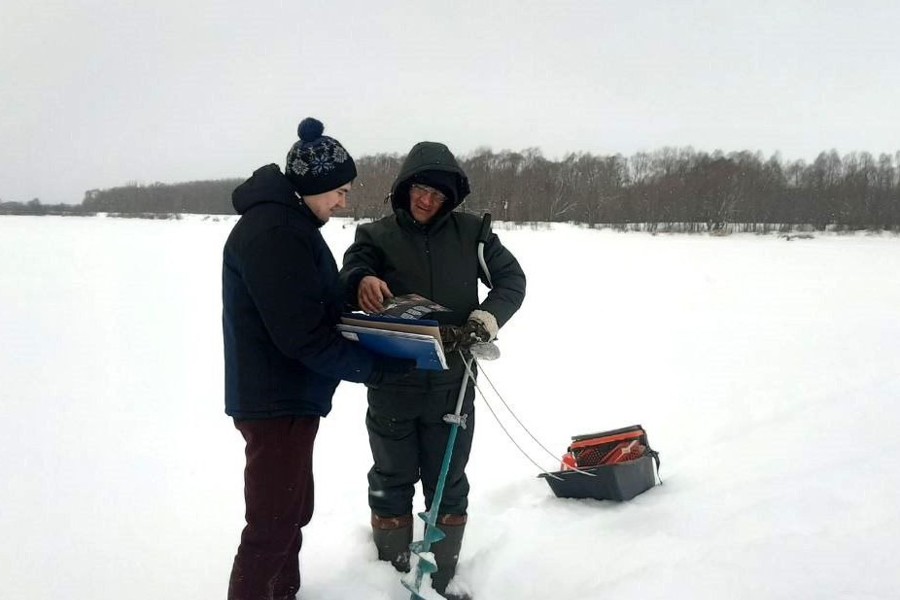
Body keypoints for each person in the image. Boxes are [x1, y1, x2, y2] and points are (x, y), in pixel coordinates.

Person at [222, 117, 414, 600]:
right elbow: (301, 336)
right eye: (339, 191)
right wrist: (374, 367)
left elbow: (313, 297)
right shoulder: (275, 233)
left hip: (288, 397)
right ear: (313, 184)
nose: (343, 201)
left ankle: (283, 592)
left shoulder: (291, 225)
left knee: (290, 512)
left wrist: (355, 285)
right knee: (271, 523)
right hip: (275, 400)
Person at [340, 141, 526, 599]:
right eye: (420, 189)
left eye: (438, 195)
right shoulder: (375, 236)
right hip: (392, 382)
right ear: (405, 187)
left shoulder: (473, 234)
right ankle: (389, 577)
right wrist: (361, 281)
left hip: (453, 384)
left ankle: (441, 578)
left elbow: (511, 281)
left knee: (449, 479)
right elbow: (351, 272)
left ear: (451, 200)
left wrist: (487, 318)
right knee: (391, 476)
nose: (426, 200)